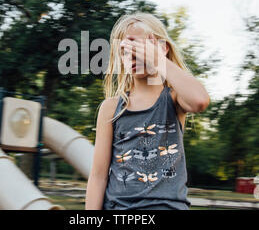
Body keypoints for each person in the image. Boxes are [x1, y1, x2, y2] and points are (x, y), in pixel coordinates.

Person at [85, 12, 210, 210]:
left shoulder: (174, 99)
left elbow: (200, 101)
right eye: (125, 51)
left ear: (162, 49)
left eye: (139, 48)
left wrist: (158, 60)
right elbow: (98, 176)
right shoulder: (111, 108)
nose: (132, 55)